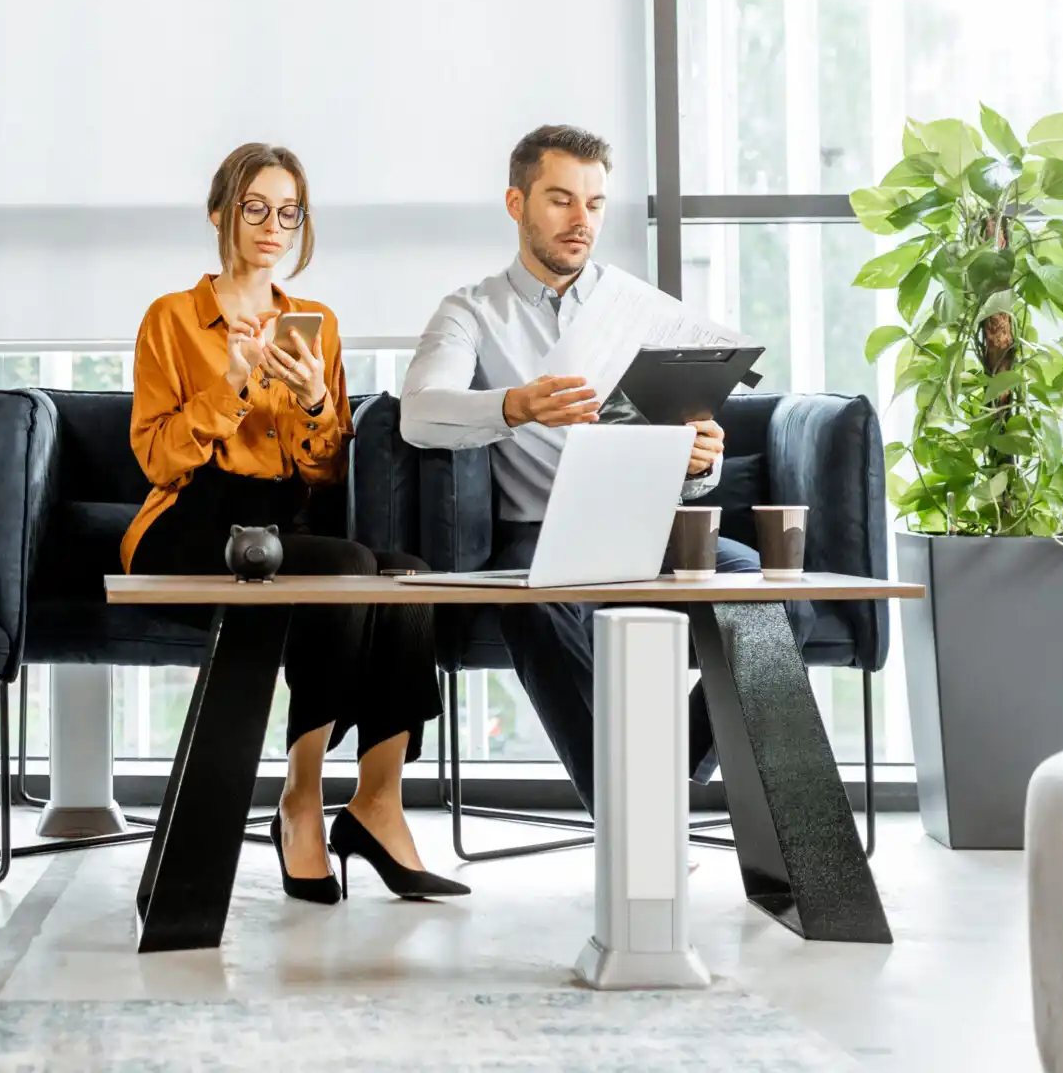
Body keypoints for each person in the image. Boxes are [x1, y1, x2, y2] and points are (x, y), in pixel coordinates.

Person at [397, 124, 813, 801]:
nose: (580, 220)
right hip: (543, 538)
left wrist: (697, 459)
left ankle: (655, 794)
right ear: (516, 203)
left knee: (780, 594)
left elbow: (687, 451)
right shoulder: (472, 312)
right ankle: (633, 808)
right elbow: (418, 414)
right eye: (560, 200)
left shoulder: (638, 309)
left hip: (648, 528)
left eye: (594, 204)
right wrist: (517, 405)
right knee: (533, 612)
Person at [125, 142, 463, 905]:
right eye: (255, 208)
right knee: (343, 563)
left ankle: (378, 803)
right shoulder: (173, 318)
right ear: (220, 213)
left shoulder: (316, 325)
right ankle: (299, 799)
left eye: (288, 212)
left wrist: (316, 402)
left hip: (277, 521)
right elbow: (157, 458)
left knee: (404, 571)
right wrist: (233, 387)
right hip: (188, 517)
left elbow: (325, 470)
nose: (272, 226)